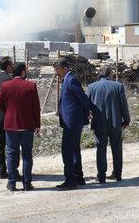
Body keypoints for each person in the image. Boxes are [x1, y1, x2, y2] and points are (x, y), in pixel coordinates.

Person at [0, 62, 41, 192]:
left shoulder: (5, 86)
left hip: (10, 125)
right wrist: (37, 124)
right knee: (27, 154)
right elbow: (36, 108)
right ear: (22, 72)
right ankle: (27, 183)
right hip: (27, 125)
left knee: (11, 153)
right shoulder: (30, 86)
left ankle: (12, 183)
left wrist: (8, 111)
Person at [86, 65, 131, 183]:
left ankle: (101, 176)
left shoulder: (91, 87)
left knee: (101, 149)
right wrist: (126, 120)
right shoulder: (118, 86)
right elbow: (123, 106)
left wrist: (88, 116)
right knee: (116, 148)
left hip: (99, 123)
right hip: (116, 123)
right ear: (109, 74)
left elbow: (86, 106)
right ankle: (117, 174)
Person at [53, 57, 90, 190]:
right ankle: (78, 177)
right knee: (74, 150)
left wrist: (87, 112)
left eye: (57, 70)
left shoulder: (71, 79)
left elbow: (83, 98)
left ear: (64, 68)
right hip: (71, 121)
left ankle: (70, 179)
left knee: (68, 151)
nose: (56, 73)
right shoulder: (67, 80)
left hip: (73, 122)